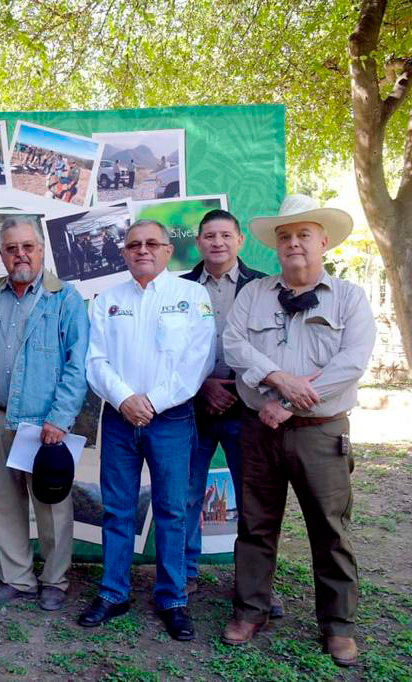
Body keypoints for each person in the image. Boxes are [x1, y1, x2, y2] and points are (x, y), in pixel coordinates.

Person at [221, 195, 375, 667]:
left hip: (320, 433)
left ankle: (338, 627)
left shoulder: (349, 298)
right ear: (276, 246)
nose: (293, 244)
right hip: (258, 430)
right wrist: (277, 378)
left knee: (329, 530)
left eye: (303, 235)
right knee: (255, 525)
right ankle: (251, 610)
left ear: (323, 242)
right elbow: (233, 343)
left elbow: (351, 363)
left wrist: (285, 404)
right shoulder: (253, 294)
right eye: (285, 237)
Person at [79, 220, 215, 641]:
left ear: (167, 249)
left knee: (173, 510)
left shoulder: (192, 296)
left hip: (171, 419)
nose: (142, 250)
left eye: (151, 243)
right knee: (117, 509)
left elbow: (199, 361)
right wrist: (125, 399)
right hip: (119, 419)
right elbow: (94, 360)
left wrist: (152, 402)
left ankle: (173, 598)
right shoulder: (107, 300)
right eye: (134, 244)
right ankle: (113, 592)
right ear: (123, 252)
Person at [0, 217, 89, 611]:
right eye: (11, 248)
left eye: (27, 247)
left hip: (45, 424)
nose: (20, 255)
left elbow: (77, 364)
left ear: (41, 250)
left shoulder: (65, 298)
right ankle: (16, 578)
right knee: (4, 502)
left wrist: (61, 418)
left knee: (51, 504)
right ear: (1, 255)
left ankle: (55, 579)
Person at [180, 209, 268, 599]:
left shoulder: (263, 287)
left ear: (240, 240)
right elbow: (171, 352)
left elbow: (271, 349)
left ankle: (254, 585)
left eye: (225, 235)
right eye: (209, 236)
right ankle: (184, 573)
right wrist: (201, 387)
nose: (217, 242)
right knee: (185, 494)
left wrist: (234, 387)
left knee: (253, 498)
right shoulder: (178, 289)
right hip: (193, 408)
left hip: (246, 408)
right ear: (198, 242)